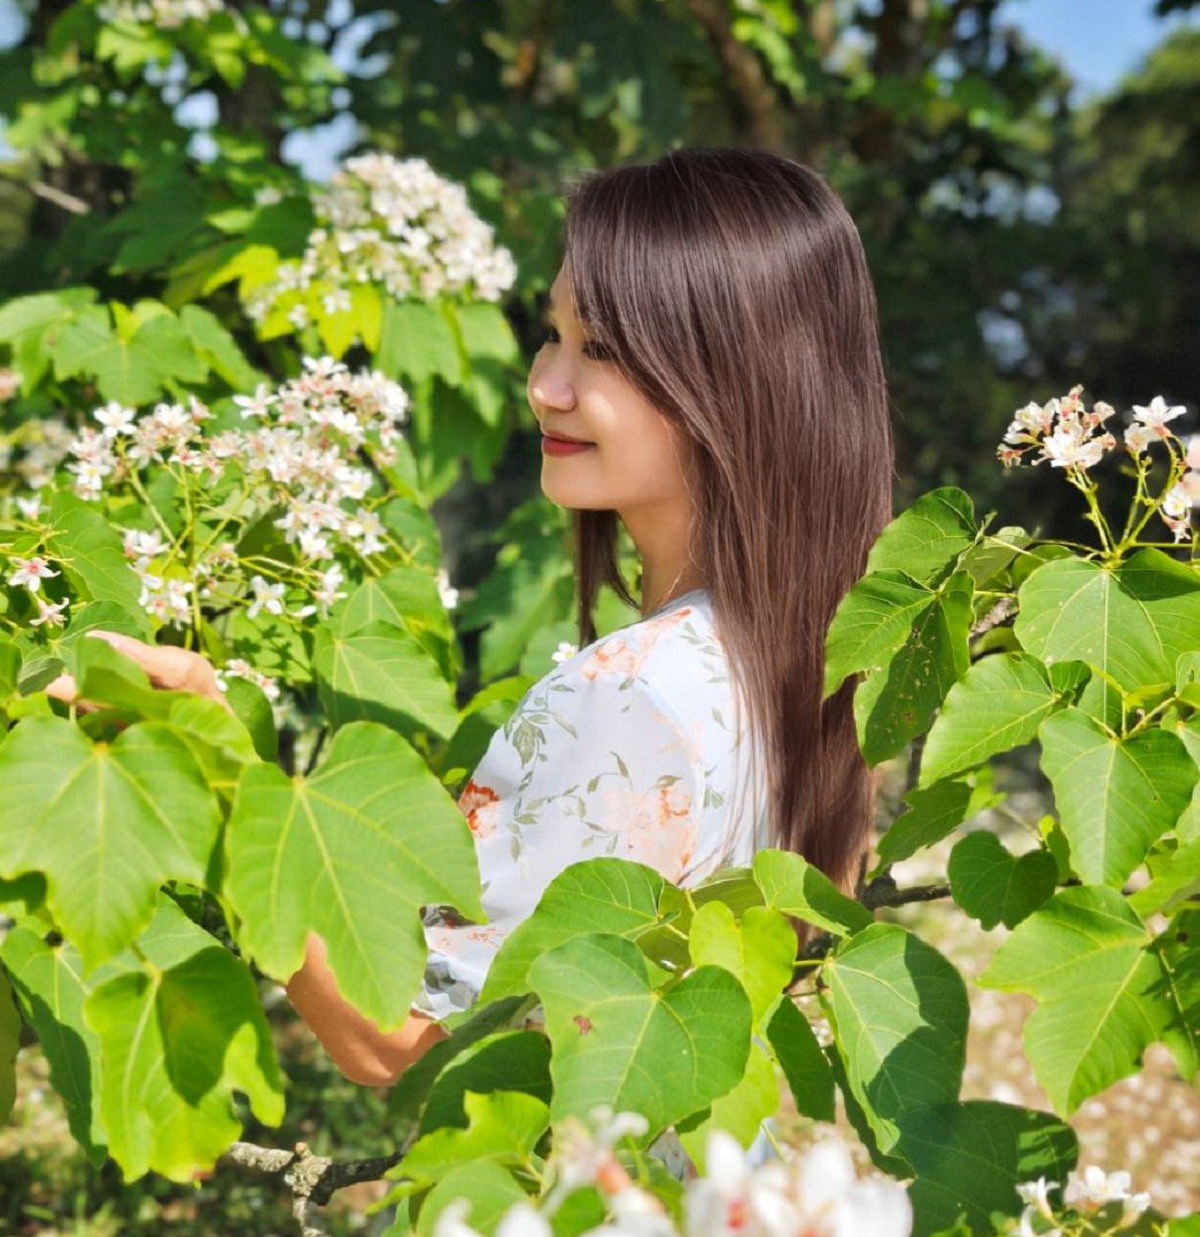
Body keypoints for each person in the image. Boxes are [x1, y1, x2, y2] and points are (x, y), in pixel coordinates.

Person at [52, 146, 895, 1092]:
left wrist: (211, 767)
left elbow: (409, 1042)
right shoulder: (802, 657)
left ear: (736, 377)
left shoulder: (631, 692)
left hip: (571, 1220)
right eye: (554, 335)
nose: (546, 384)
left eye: (603, 350)